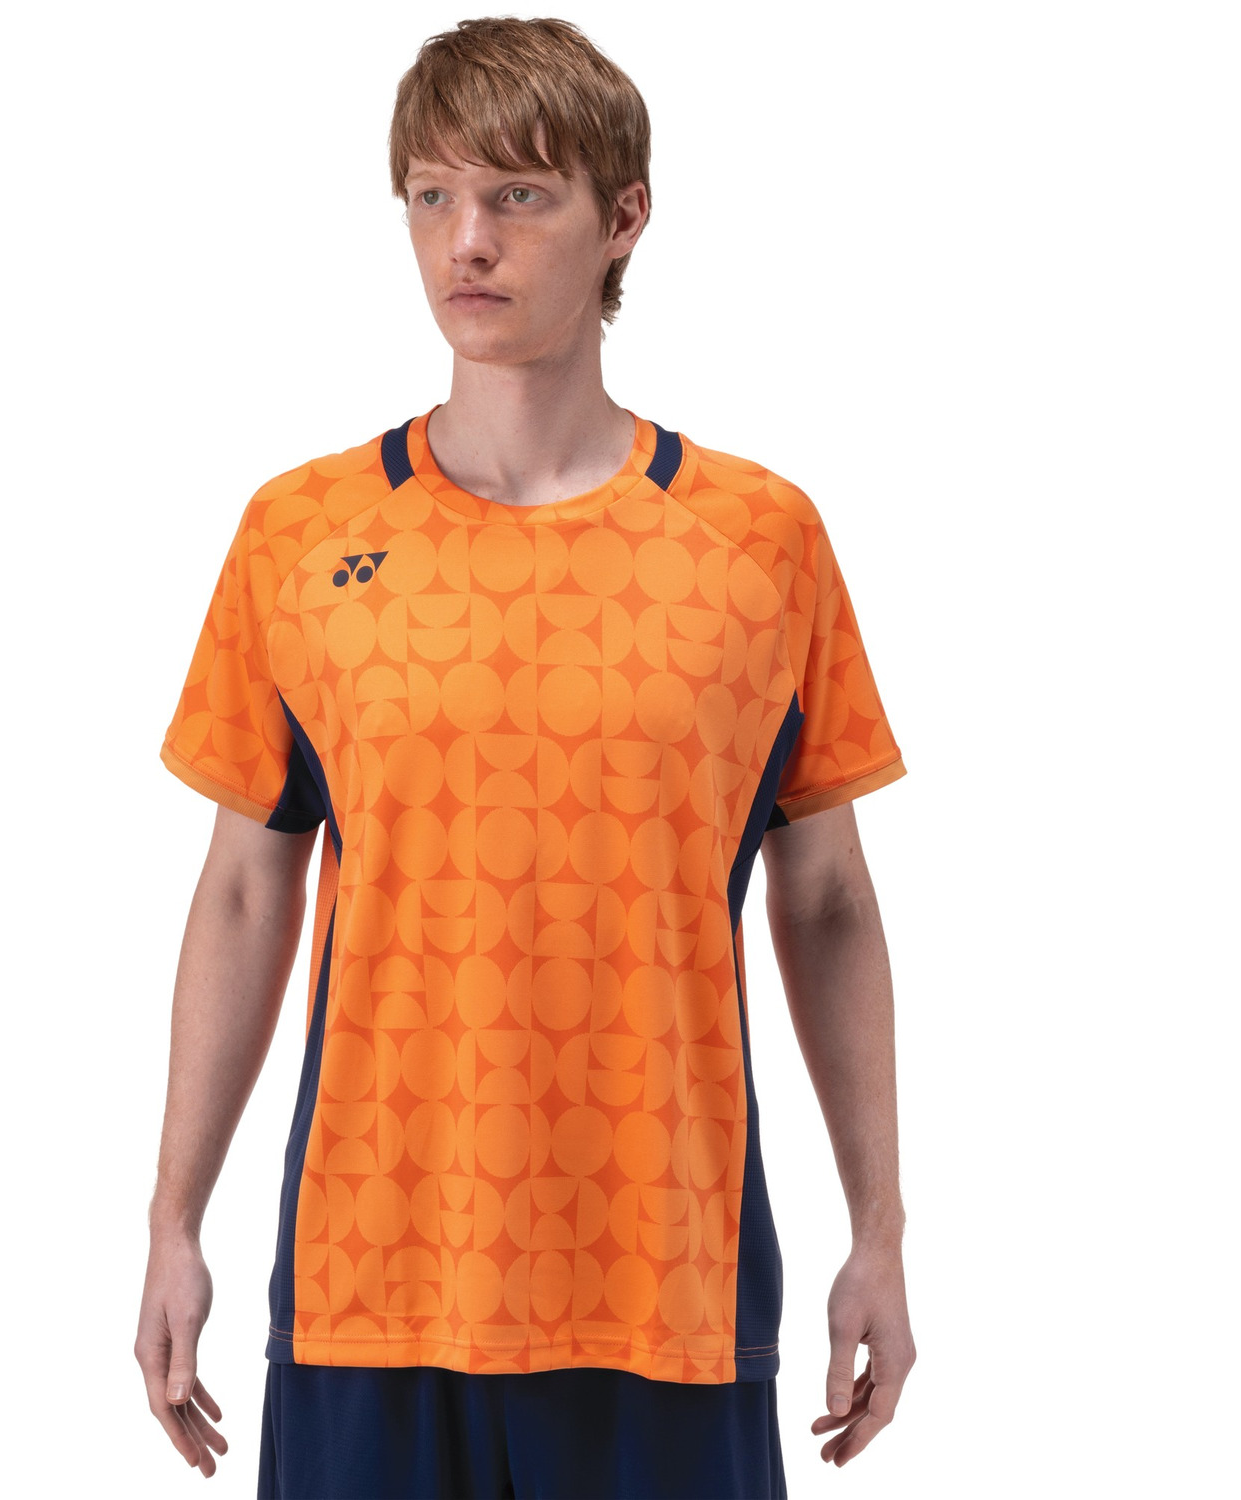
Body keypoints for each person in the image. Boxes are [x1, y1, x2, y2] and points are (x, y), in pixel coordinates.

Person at [134, 16, 916, 1497]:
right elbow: (243, 890)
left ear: (625, 218)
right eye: (432, 196)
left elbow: (825, 901)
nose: (467, 242)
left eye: (518, 195)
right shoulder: (302, 533)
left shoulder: (760, 541)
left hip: (665, 1287)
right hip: (368, 1279)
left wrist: (879, 1233)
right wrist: (174, 1220)